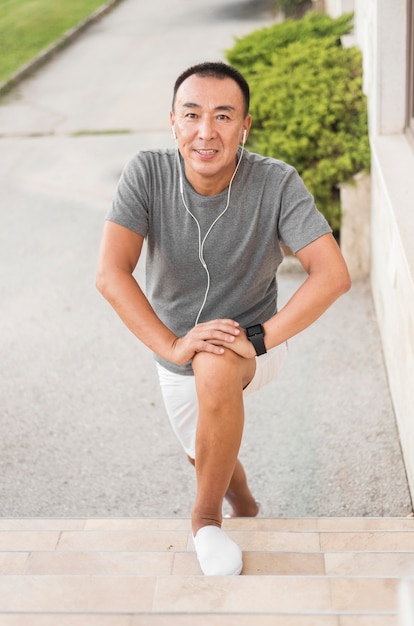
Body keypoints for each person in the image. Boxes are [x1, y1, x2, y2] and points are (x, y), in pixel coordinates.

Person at [96, 61, 351, 576]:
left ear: (245, 125)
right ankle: (246, 505)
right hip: (175, 349)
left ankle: (205, 520)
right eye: (192, 115)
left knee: (214, 374)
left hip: (255, 345)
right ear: (173, 121)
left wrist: (257, 339)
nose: (206, 132)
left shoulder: (277, 182)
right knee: (206, 451)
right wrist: (172, 346)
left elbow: (332, 274)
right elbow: (111, 273)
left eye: (223, 116)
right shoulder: (147, 172)